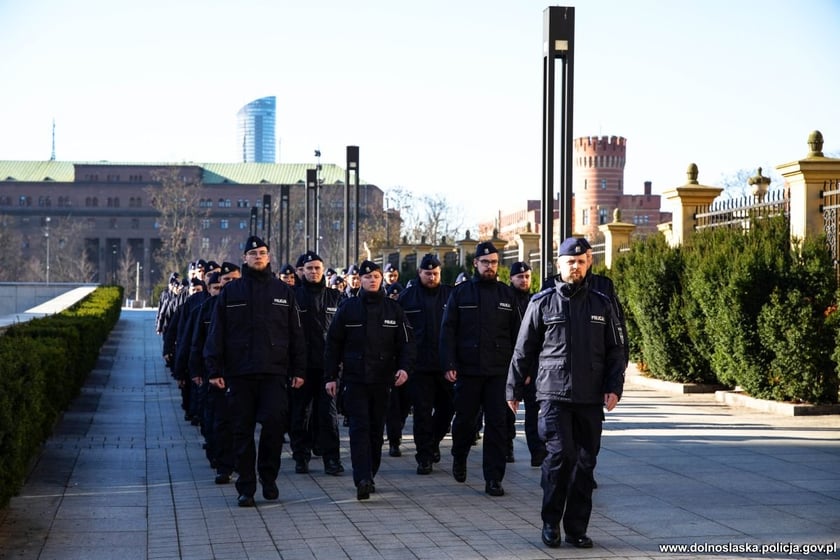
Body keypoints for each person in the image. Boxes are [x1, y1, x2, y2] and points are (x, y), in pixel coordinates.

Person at [507, 237, 625, 549]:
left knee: (586, 463)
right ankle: (550, 522)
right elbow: (523, 349)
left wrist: (614, 387)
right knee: (560, 457)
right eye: (569, 262)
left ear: (589, 264)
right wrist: (514, 388)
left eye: (581, 261)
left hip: (589, 397)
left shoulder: (602, 303)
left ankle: (576, 529)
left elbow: (616, 350)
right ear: (559, 265)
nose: (575, 266)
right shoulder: (542, 302)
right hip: (553, 395)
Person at [204, 236, 307, 507]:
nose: (258, 257)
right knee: (242, 431)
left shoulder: (283, 291)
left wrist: (299, 369)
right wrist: (214, 368)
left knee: (274, 426)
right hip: (240, 373)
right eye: (253, 253)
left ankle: (268, 477)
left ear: (269, 257)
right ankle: (246, 487)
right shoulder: (231, 291)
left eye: (263, 253)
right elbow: (217, 332)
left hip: (274, 372)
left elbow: (296, 334)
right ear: (245, 258)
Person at [324, 260, 415, 500]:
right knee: (359, 428)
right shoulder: (348, 308)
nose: (372, 280)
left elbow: (406, 344)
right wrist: (331, 377)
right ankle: (362, 477)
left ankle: (370, 472)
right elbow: (333, 344)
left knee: (375, 431)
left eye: (376, 276)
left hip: (383, 380)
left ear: (381, 279)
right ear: (360, 281)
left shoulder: (393, 310)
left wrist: (404, 369)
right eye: (367, 277)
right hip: (355, 379)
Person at [440, 241, 521, 497]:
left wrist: (520, 370)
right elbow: (448, 331)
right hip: (469, 369)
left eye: (494, 262)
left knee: (497, 424)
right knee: (464, 421)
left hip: (498, 371)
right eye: (485, 262)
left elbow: (518, 335)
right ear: (475, 263)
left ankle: (493, 479)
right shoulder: (461, 294)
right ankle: (459, 455)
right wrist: (449, 363)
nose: (490, 267)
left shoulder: (506, 295)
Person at [397, 253, 454, 474]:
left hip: (444, 365)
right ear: (419, 273)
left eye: (435, 273)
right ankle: (424, 457)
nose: (431, 277)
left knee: (447, 410)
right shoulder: (407, 298)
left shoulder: (451, 295)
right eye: (427, 273)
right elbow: (399, 335)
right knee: (421, 412)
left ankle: (432, 443)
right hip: (418, 367)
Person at [290, 250, 345, 476]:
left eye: (317, 268)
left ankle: (331, 459)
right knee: (300, 414)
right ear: (301, 271)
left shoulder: (336, 297)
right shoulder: (292, 296)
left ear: (323, 270)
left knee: (328, 415)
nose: (313, 272)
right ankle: (301, 457)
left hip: (327, 368)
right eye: (309, 268)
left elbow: (343, 334)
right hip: (301, 368)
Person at [508, 261, 546, 468]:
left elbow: (538, 340)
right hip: (508, 367)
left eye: (527, 277)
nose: (524, 280)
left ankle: (537, 452)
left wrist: (531, 369)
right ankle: (507, 445)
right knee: (506, 412)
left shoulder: (536, 300)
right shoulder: (505, 300)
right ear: (511, 278)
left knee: (534, 412)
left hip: (533, 368)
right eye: (519, 277)